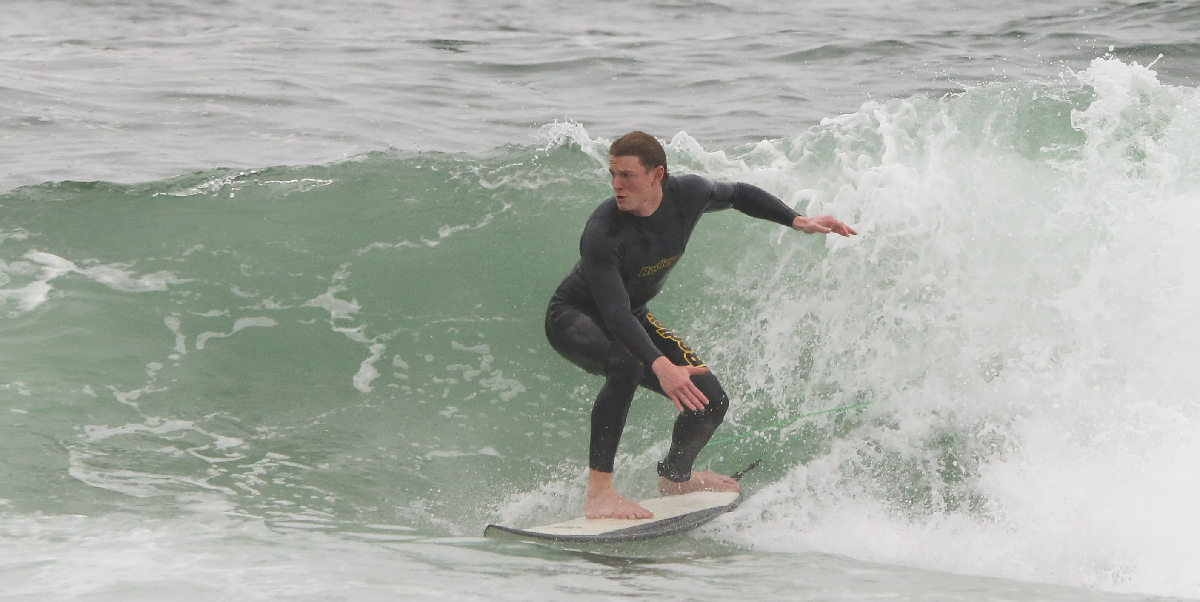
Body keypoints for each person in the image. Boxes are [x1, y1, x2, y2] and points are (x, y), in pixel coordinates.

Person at [545, 131, 857, 519]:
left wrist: (797, 219)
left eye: (627, 175)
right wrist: (661, 366)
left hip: (632, 314)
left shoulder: (688, 194)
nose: (616, 185)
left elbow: (740, 193)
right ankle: (600, 494)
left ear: (657, 174)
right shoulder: (603, 231)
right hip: (575, 316)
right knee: (626, 364)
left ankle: (675, 477)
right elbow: (614, 314)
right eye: (613, 175)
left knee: (710, 401)